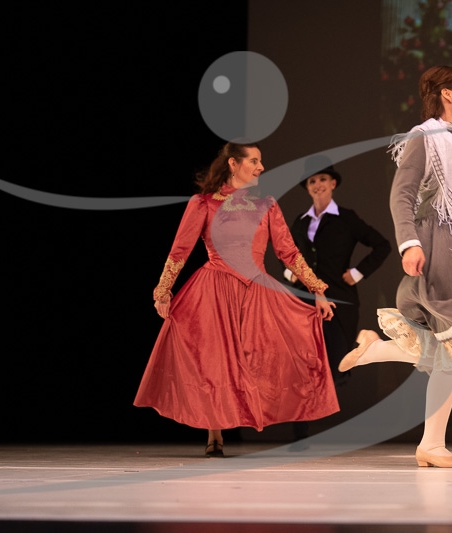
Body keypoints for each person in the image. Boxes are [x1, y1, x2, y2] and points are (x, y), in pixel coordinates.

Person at [337, 65, 452, 468]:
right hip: (440, 249)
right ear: (446, 94)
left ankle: (377, 352)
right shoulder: (426, 138)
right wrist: (410, 243)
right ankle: (431, 444)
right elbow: (402, 195)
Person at [134, 141, 339, 457]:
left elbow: (288, 251)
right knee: (214, 361)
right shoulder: (203, 204)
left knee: (262, 358)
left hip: (256, 290)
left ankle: (252, 416)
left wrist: (318, 290)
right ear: (233, 163)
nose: (261, 167)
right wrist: (163, 291)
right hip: (215, 290)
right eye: (254, 161)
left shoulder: (266, 205)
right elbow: (180, 251)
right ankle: (214, 431)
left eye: (260, 161)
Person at [285, 157, 391, 446]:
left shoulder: (346, 218)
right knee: (303, 365)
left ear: (332, 183)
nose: (317, 184)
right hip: (304, 301)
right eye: (312, 181)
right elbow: (287, 253)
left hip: (338, 300)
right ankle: (300, 432)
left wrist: (357, 273)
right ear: (307, 188)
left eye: (322, 179)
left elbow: (382, 245)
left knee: (337, 364)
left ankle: (346, 426)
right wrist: (290, 272)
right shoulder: (300, 221)